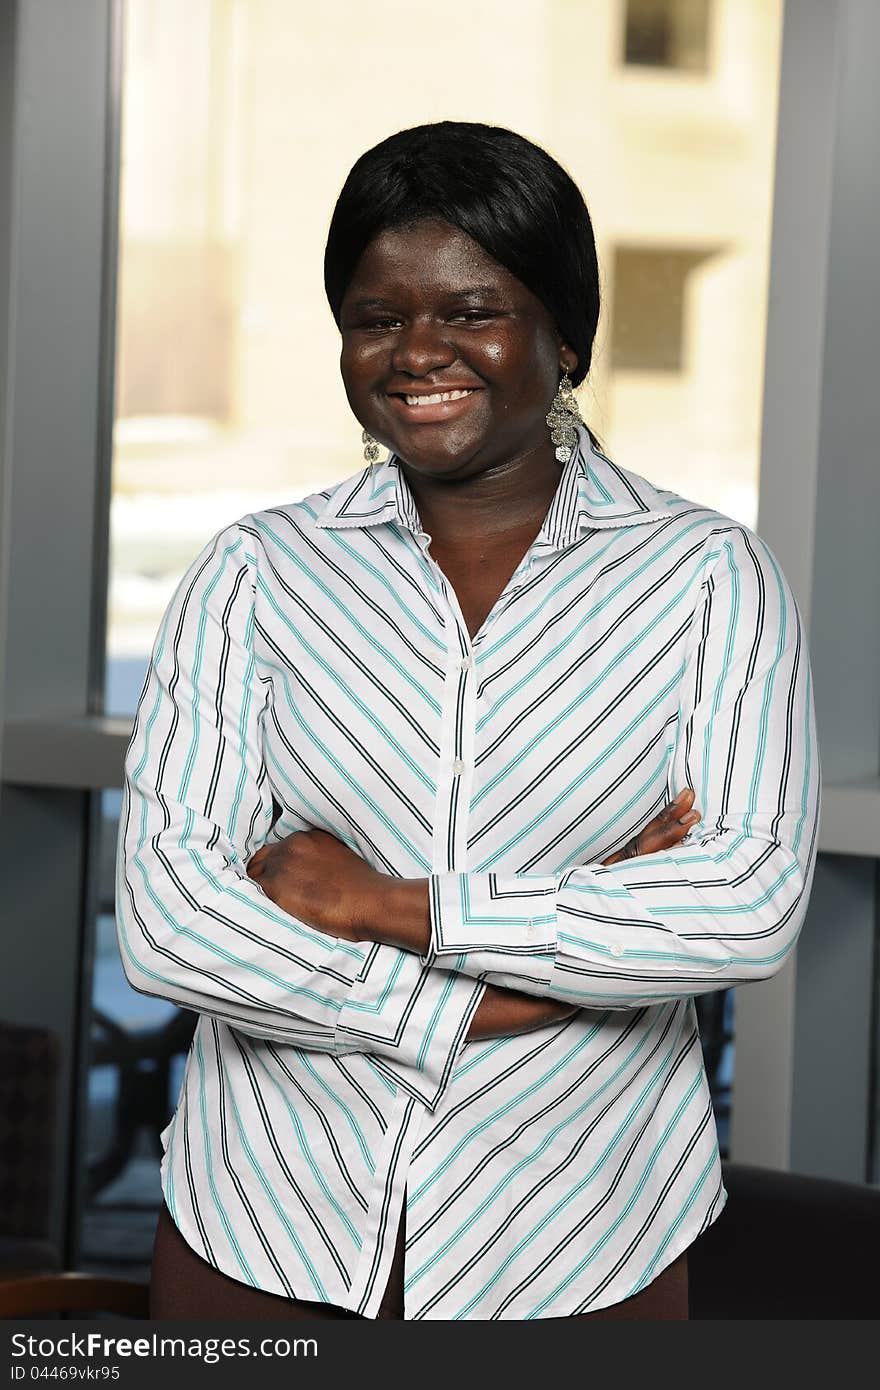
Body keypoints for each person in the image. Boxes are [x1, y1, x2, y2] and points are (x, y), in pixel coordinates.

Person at [117, 121, 820, 1321]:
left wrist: (387, 904)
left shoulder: (708, 577)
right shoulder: (255, 574)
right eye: (376, 316)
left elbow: (742, 903)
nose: (417, 351)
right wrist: (519, 985)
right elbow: (170, 918)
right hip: (265, 1223)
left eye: (472, 309)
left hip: (578, 1230)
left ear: (567, 335)